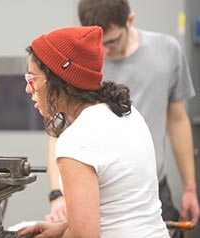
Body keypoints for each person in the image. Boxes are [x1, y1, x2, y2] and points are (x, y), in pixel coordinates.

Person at [46, 0, 200, 233]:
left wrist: (190, 187)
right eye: (99, 42)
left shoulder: (167, 51)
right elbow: (60, 131)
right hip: (95, 192)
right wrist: (57, 193)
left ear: (130, 20)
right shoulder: (79, 65)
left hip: (153, 189)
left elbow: (177, 120)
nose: (105, 51)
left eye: (112, 41)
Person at [17, 26, 169, 238]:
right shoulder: (127, 113)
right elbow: (116, 204)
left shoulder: (77, 140)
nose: (28, 89)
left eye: (32, 79)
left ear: (59, 81)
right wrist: (62, 227)